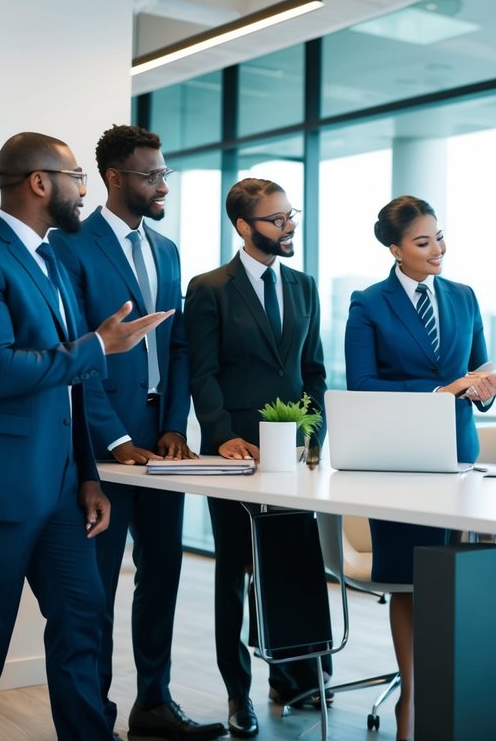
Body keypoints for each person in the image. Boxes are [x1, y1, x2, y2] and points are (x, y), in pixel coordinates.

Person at [0, 132, 170, 740]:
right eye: (76, 177)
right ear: (39, 182)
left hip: (61, 485)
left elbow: (71, 386)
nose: (84, 189)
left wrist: (87, 474)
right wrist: (98, 346)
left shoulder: (53, 257)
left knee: (83, 620)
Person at [51, 125, 224, 740]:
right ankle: (93, 718)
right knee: (95, 586)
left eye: (165, 174)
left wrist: (175, 425)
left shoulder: (169, 250)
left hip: (162, 442)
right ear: (115, 178)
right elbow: (76, 354)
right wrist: (115, 437)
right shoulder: (69, 246)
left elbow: (177, 346)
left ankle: (154, 702)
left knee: (164, 571)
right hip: (102, 446)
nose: (162, 185)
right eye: (151, 175)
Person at [344, 195, 496, 741]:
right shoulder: (368, 303)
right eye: (422, 241)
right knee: (411, 583)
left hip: (458, 459)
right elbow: (362, 386)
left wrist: (483, 388)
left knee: (454, 580)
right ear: (395, 249)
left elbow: (478, 371)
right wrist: (440, 389)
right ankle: (413, 693)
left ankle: (451, 687)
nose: (438, 249)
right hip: (401, 465)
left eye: (439, 236)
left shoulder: (463, 296)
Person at [184, 178, 331, 738]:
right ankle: (236, 691)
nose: (288, 226)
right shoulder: (209, 288)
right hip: (234, 453)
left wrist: (313, 435)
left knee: (291, 563)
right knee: (234, 568)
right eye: (276, 219)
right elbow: (202, 371)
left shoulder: (304, 286)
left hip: (292, 453)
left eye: (290, 215)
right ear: (244, 227)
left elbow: (311, 370)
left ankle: (295, 676)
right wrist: (220, 434)